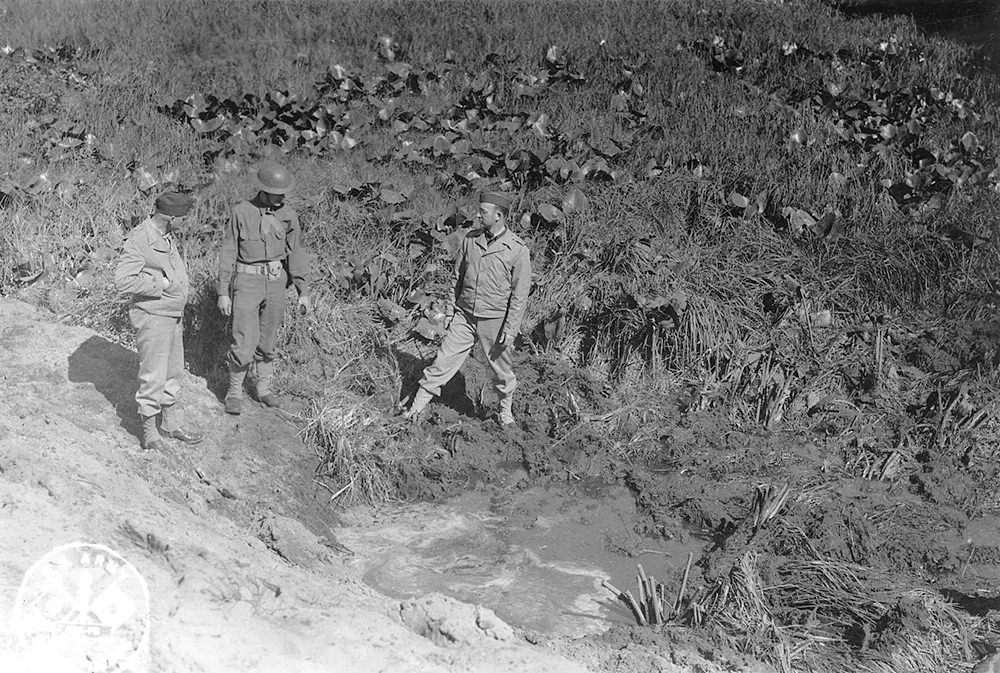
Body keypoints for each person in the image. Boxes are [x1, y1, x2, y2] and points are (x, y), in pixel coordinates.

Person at [403, 191, 532, 426]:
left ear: (499, 215)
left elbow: (520, 295)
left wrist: (511, 329)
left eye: (483, 211)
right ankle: (416, 408)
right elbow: (456, 278)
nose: (478, 215)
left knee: (501, 371)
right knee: (443, 361)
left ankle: (505, 414)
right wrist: (452, 312)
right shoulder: (471, 240)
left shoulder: (517, 250)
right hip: (464, 315)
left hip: (494, 321)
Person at [217, 161, 312, 414]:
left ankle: (263, 389)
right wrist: (222, 292)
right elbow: (228, 251)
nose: (281, 197)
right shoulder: (242, 211)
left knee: (269, 339)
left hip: (275, 282)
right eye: (276, 193)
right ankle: (235, 392)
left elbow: (296, 252)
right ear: (263, 190)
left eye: (284, 193)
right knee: (243, 338)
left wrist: (303, 291)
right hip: (247, 282)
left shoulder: (288, 215)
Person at [114, 192, 204, 451]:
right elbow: (122, 281)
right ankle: (150, 433)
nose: (187, 224)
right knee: (153, 375)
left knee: (173, 371)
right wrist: (159, 284)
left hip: (172, 314)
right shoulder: (140, 239)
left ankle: (171, 424)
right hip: (153, 316)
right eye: (184, 219)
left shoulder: (166, 235)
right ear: (172, 218)